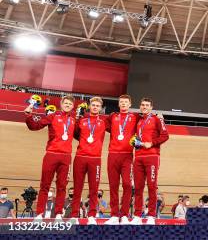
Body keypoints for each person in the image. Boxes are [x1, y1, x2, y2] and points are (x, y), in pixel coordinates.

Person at [24, 95, 76, 222]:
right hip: (51, 154)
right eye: (66, 103)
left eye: (70, 104)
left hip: (66, 157)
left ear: (73, 106)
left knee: (62, 186)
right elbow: (35, 126)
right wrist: (29, 116)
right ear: (61, 104)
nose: (67, 105)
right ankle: (39, 214)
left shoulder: (75, 120)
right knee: (45, 185)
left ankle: (58, 213)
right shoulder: (53, 116)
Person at [131, 98, 169, 225]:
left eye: (147, 105)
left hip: (152, 156)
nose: (144, 107)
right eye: (142, 105)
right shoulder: (138, 120)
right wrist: (135, 143)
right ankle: (137, 215)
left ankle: (151, 215)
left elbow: (165, 136)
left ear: (151, 107)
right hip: (138, 156)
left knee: (152, 187)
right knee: (138, 187)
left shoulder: (157, 119)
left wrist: (151, 143)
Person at [71, 97, 107, 225]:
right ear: (89, 106)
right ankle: (74, 215)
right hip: (80, 157)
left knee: (94, 189)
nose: (95, 107)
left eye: (98, 105)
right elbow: (74, 134)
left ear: (101, 108)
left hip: (95, 159)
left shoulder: (104, 122)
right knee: (77, 188)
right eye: (93, 105)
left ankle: (92, 215)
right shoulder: (82, 120)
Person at [105, 94, 140, 225]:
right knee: (113, 185)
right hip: (113, 154)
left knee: (127, 184)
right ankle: (114, 214)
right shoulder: (112, 116)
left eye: (126, 102)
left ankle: (124, 214)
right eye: (121, 102)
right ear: (119, 104)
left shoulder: (134, 117)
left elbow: (145, 123)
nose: (123, 104)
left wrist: (158, 117)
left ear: (130, 104)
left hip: (127, 156)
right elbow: (103, 126)